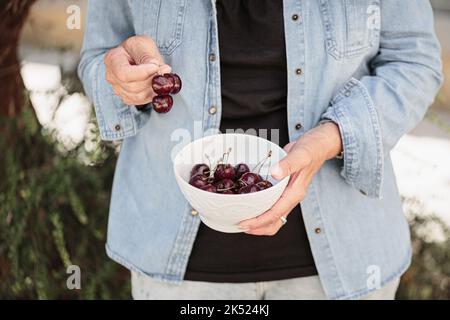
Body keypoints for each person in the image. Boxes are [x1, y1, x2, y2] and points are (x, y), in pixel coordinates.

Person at [78, 0, 443, 300]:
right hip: (176, 268)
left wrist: (333, 136)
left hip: (344, 267)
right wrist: (121, 80)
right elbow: (98, 56)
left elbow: (414, 62)